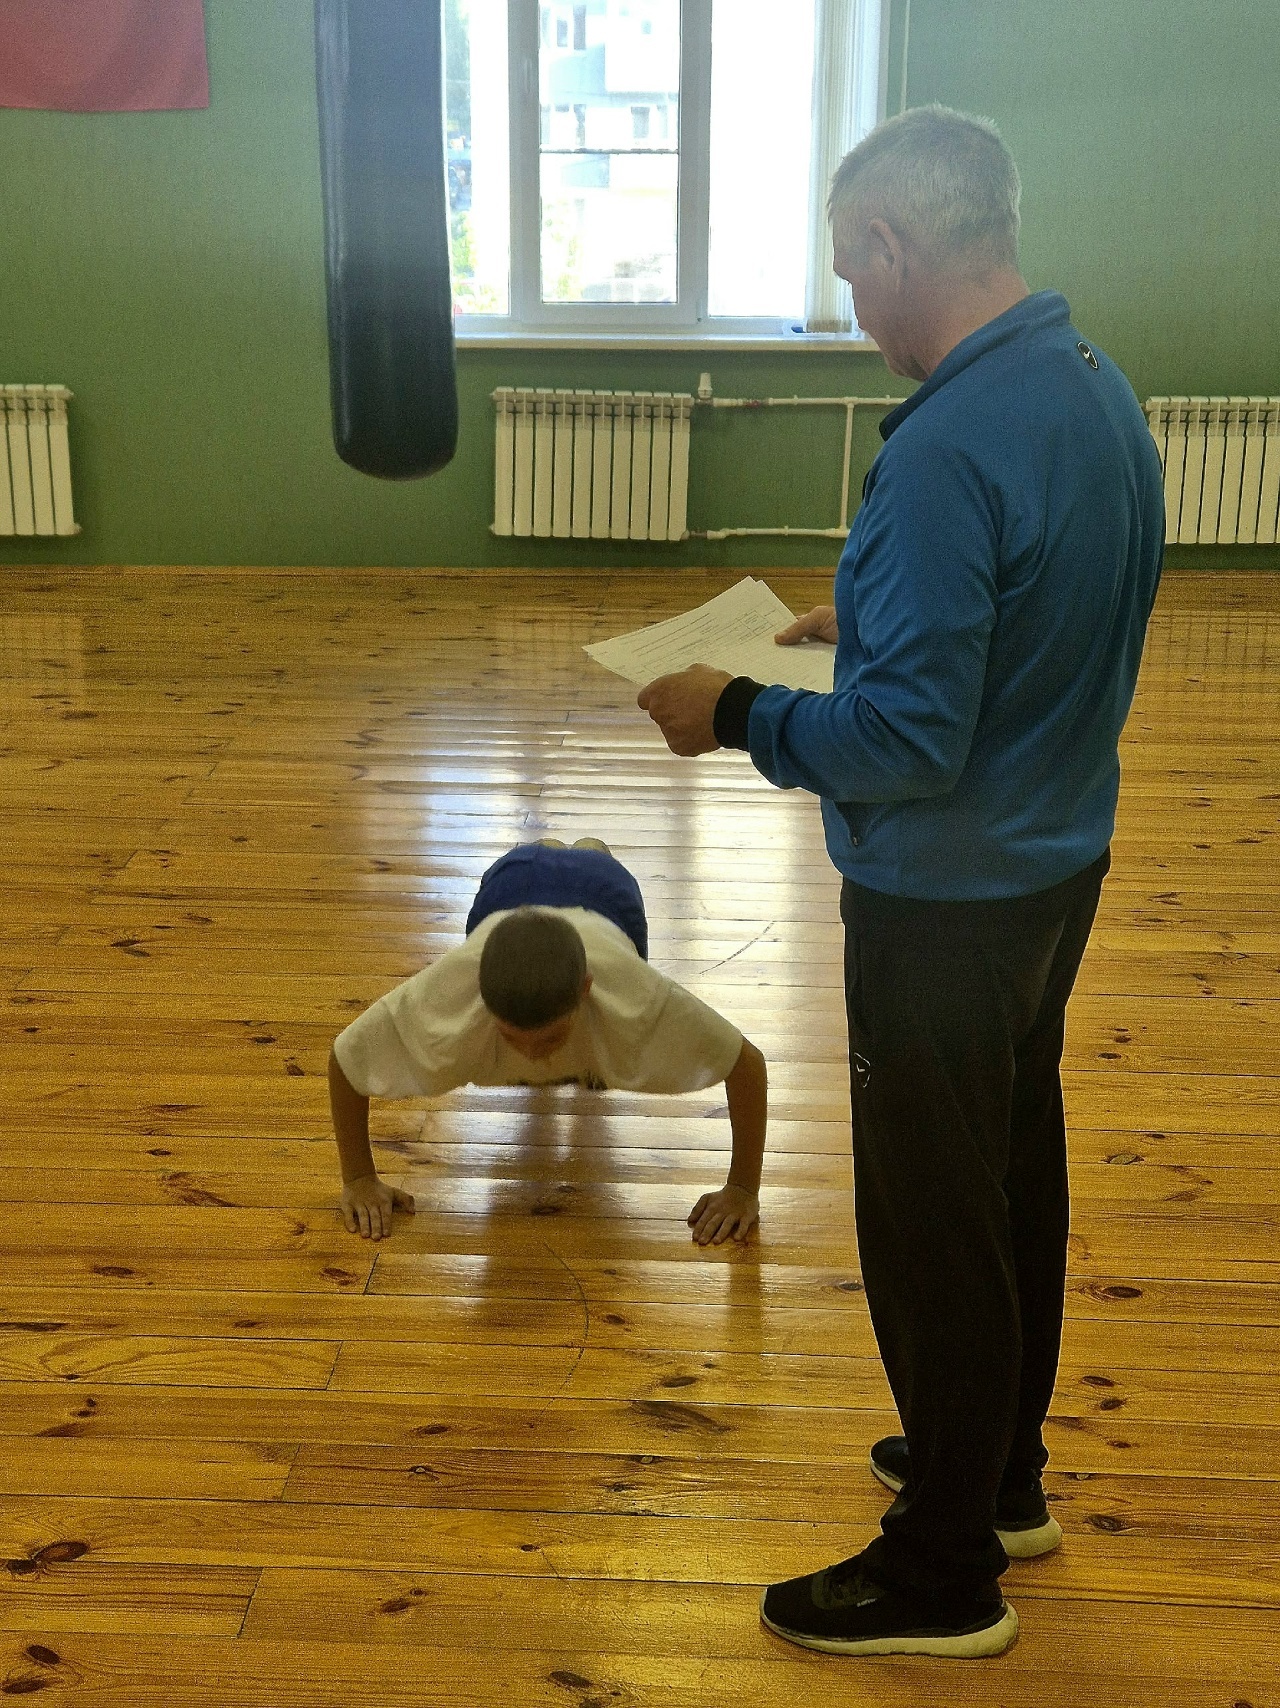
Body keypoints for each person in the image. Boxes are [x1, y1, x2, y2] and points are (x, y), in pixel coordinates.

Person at [637, 105, 1164, 1659]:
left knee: (933, 1221)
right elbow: (1038, 611)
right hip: (1055, 867)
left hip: (944, 900)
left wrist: (731, 710)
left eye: (848, 272)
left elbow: (908, 745)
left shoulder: (943, 445)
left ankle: (942, 1573)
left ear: (889, 242)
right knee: (1010, 1175)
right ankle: (996, 1477)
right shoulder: (1092, 387)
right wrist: (864, 619)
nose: (852, 305)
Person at [328, 837, 768, 1247]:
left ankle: (587, 851)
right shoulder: (450, 987)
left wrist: (742, 1189)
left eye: (551, 1038)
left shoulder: (635, 993)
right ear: (480, 993)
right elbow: (345, 1060)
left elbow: (746, 1063)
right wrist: (359, 1179)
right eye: (511, 1038)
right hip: (512, 886)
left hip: (604, 894)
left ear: (585, 989)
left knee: (591, 858)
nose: (532, 1056)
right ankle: (558, 848)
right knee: (550, 853)